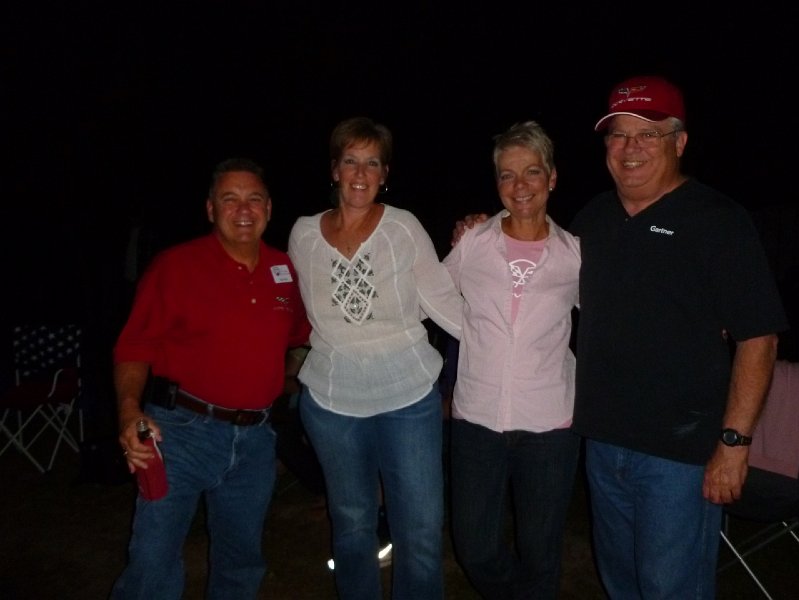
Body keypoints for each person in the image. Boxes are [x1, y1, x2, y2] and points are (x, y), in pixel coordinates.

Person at [568, 75, 789, 598]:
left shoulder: (718, 221)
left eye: (648, 134)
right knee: (620, 582)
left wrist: (733, 444)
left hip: (680, 456)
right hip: (602, 442)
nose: (630, 148)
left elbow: (759, 339)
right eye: (619, 135)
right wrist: (484, 226)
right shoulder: (592, 219)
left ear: (680, 142)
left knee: (672, 589)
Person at [111, 157, 311, 599]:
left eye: (254, 198)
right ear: (210, 209)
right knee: (153, 564)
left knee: (241, 564)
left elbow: (302, 333)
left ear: (269, 208)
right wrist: (128, 410)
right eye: (230, 199)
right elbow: (134, 346)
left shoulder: (283, 270)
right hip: (180, 434)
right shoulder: (175, 266)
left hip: (255, 440)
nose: (244, 209)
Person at [287, 116, 462, 599]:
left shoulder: (402, 227)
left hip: (408, 399)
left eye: (372, 163)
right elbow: (297, 309)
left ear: (384, 174)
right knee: (351, 525)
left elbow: (442, 301)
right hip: (331, 404)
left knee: (420, 530)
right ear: (334, 170)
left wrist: (502, 347)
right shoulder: (303, 234)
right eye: (350, 161)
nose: (360, 174)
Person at [442, 121, 581, 599]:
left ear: (552, 178)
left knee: (540, 551)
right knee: (474, 546)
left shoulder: (575, 255)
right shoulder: (472, 242)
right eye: (507, 174)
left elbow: (613, 319)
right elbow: (430, 298)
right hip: (476, 418)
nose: (520, 185)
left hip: (549, 424)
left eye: (532, 172)